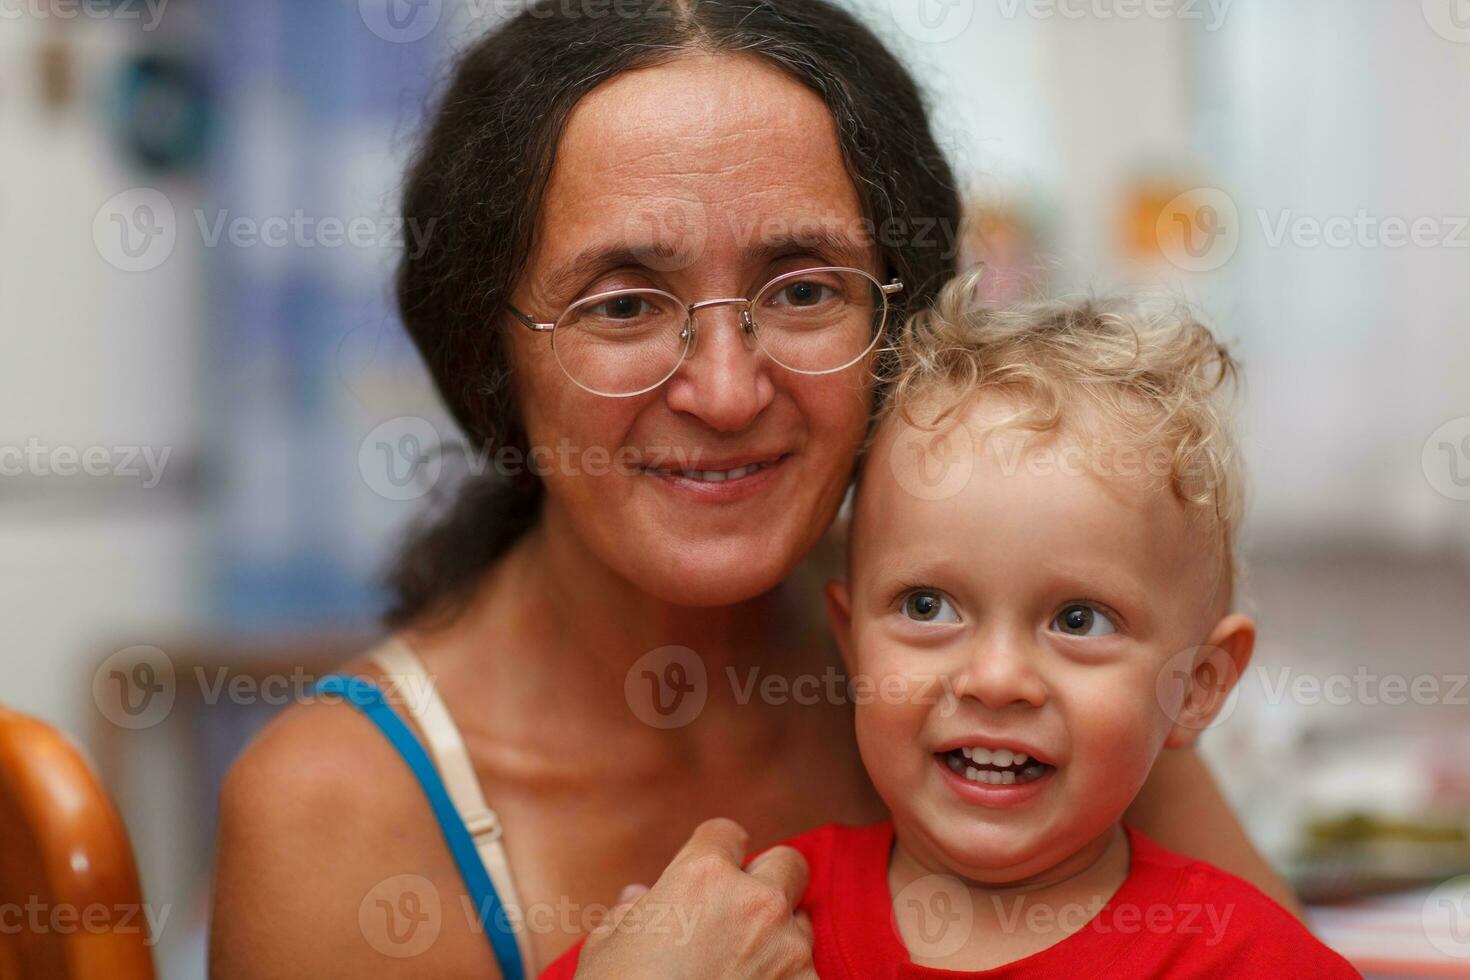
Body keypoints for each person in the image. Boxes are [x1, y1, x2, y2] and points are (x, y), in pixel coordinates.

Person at [209, 3, 1301, 978]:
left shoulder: (1001, 664)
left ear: (898, 328)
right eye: (624, 304)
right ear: (491, 353)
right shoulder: (337, 812)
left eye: (806, 288)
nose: (727, 390)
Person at [544, 279, 1358, 977]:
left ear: (1199, 685)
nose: (995, 678)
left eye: (1079, 620)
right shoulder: (750, 925)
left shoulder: (1241, 957)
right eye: (927, 606)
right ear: (851, 640)